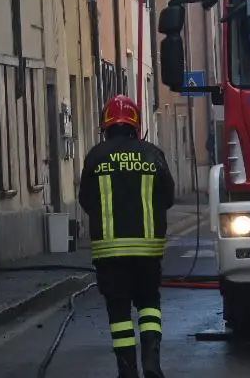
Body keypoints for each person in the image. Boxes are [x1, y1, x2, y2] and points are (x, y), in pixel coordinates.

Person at [80, 94, 175, 378]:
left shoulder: (96, 156)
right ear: (136, 124)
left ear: (106, 125)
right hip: (148, 251)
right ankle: (151, 361)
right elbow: (168, 198)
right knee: (149, 304)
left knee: (119, 311)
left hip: (110, 254)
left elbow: (86, 199)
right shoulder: (153, 154)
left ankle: (127, 369)